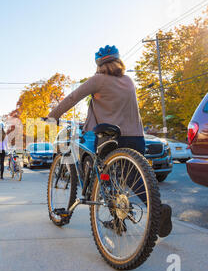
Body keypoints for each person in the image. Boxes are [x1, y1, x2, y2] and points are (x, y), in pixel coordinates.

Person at [46, 45, 172, 238]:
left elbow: (73, 97)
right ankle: (155, 208)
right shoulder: (129, 81)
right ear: (118, 61)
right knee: (131, 178)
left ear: (99, 64)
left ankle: (112, 211)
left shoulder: (98, 80)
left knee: (103, 176)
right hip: (136, 138)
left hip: (110, 138)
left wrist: (53, 116)